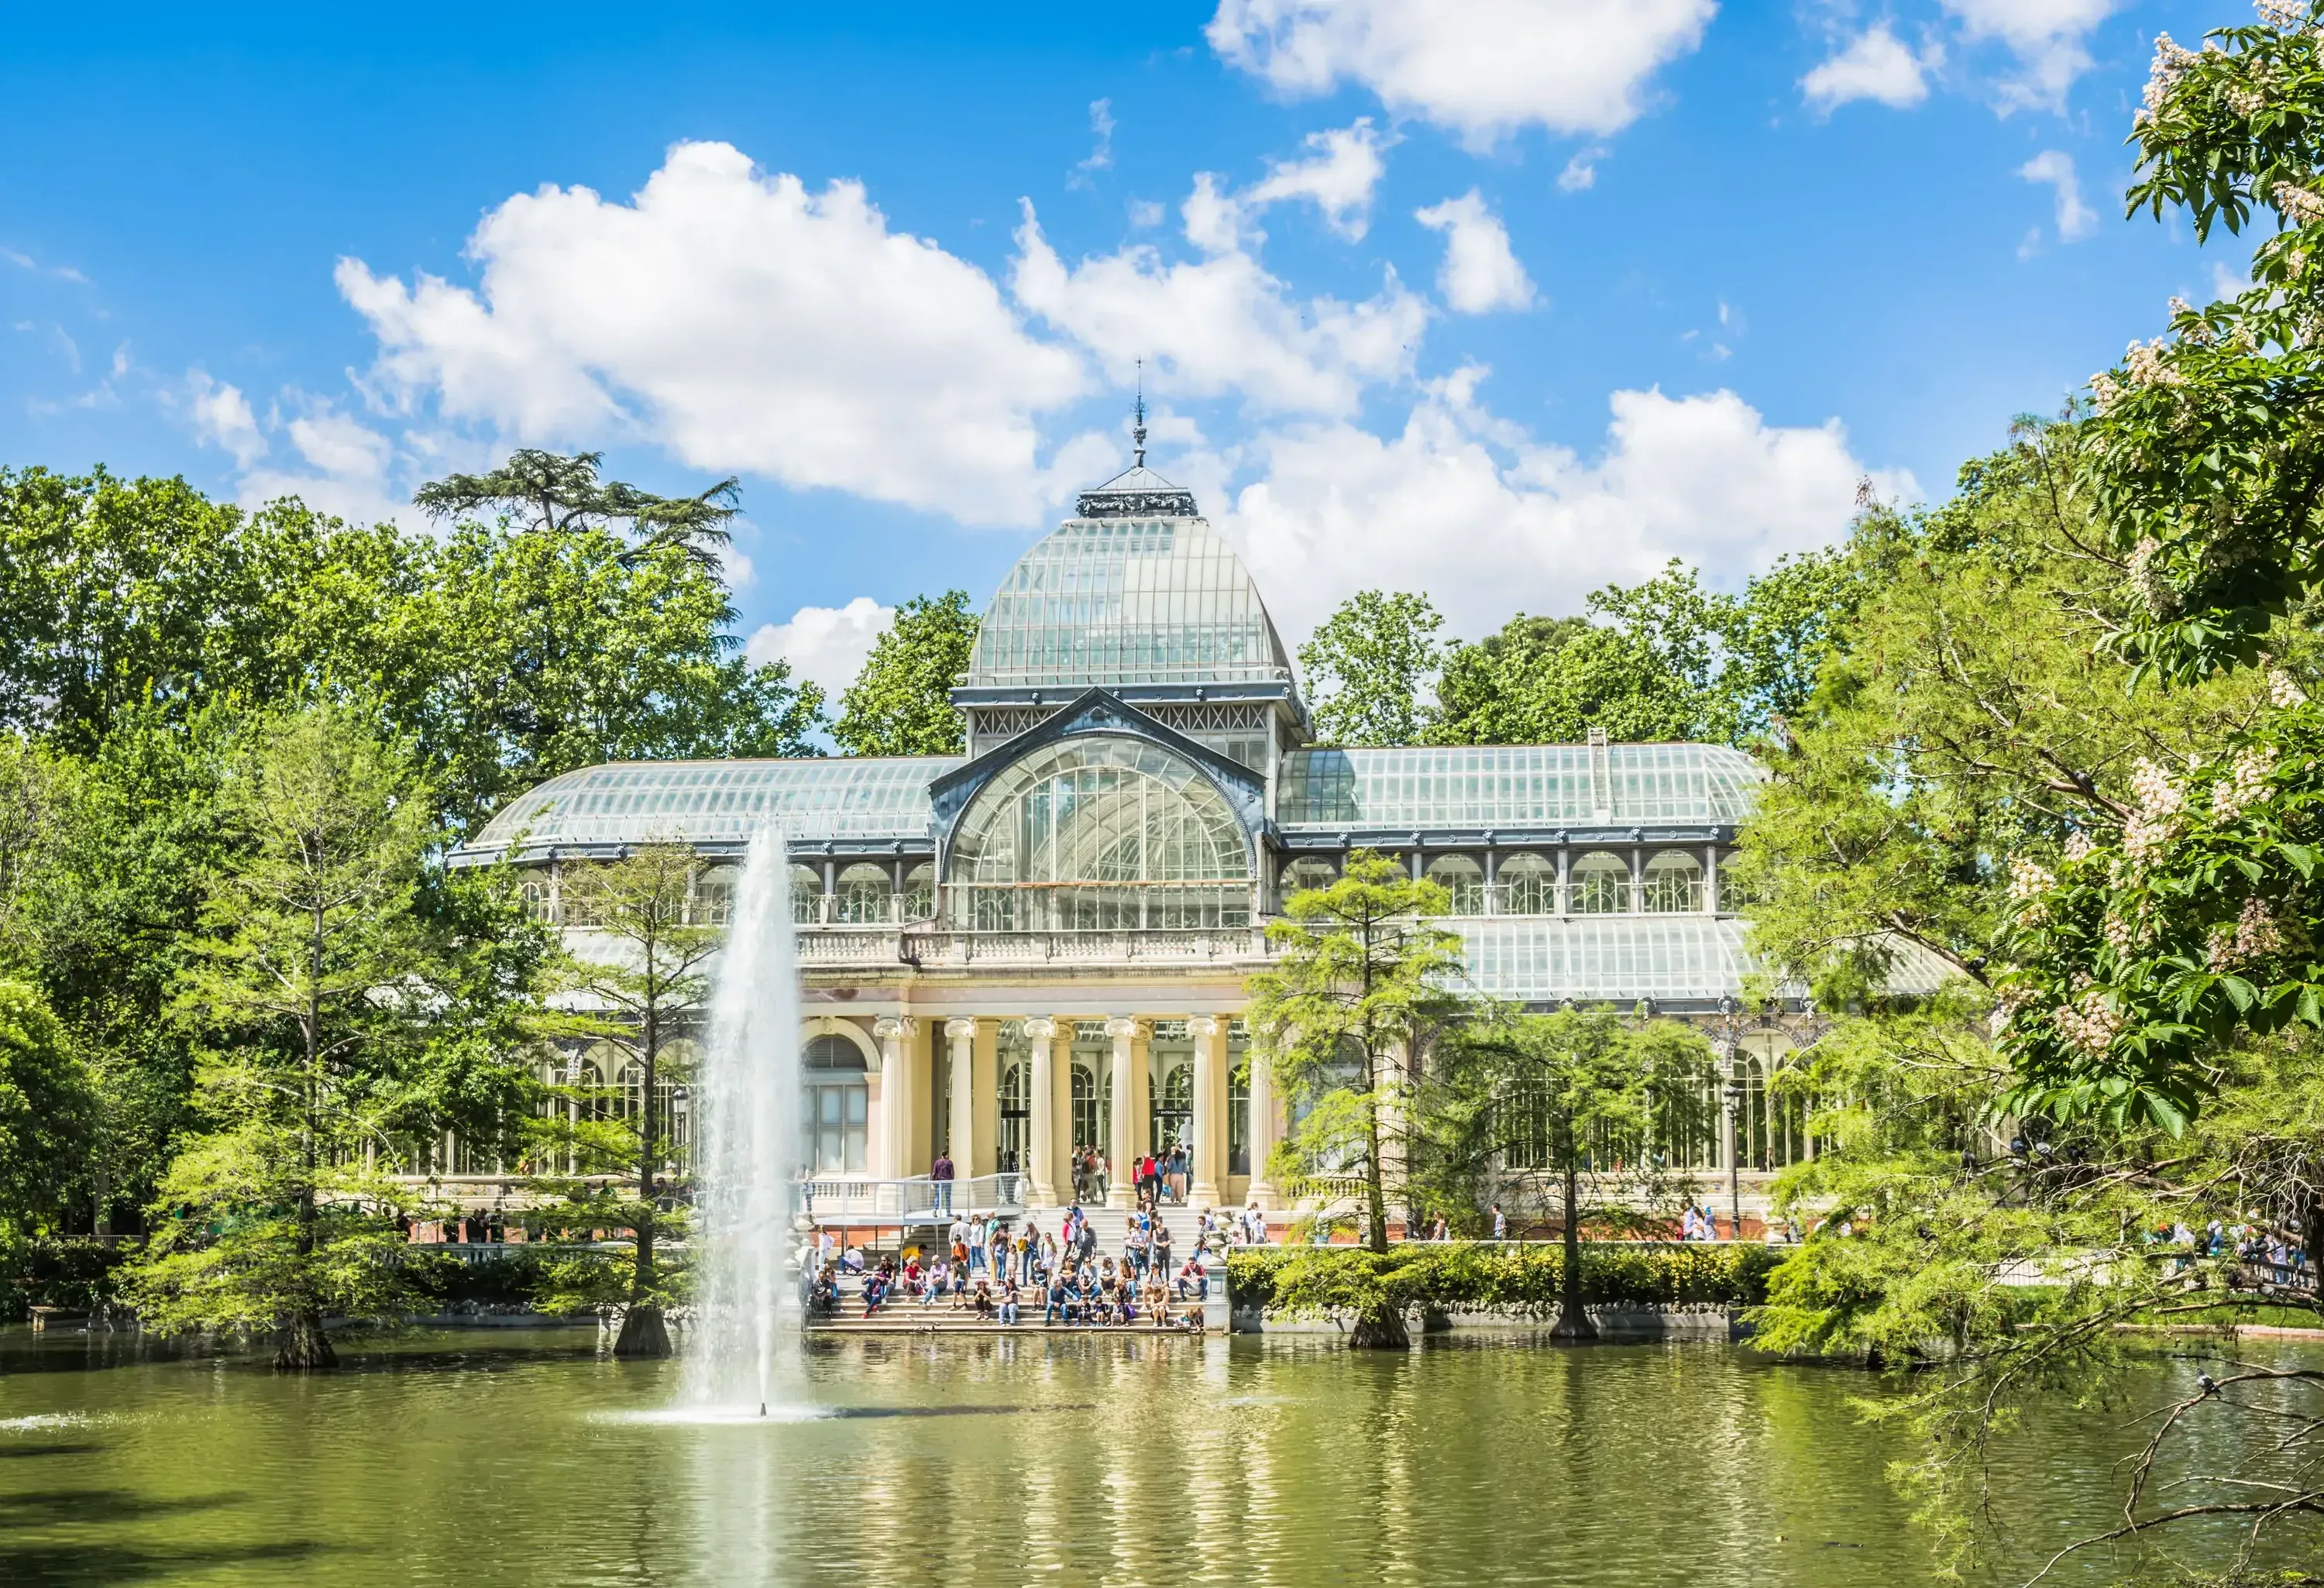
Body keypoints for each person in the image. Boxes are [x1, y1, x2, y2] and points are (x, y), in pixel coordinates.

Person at [932, 1150, 955, 1215]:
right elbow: (952, 1173)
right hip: (947, 1181)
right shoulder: (950, 1162)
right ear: (947, 1155)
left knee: (938, 1196)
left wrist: (932, 1181)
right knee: (948, 1197)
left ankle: (935, 1209)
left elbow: (934, 1173)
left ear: (942, 1155)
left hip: (940, 1181)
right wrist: (951, 1179)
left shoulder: (937, 1162)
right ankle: (948, 1212)